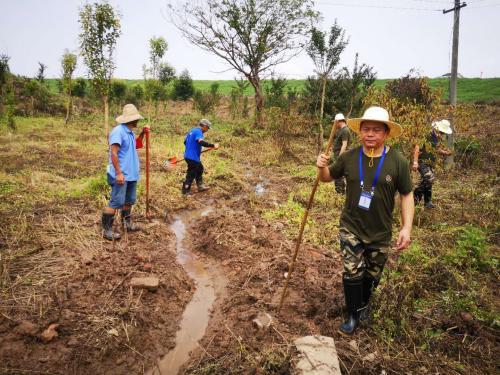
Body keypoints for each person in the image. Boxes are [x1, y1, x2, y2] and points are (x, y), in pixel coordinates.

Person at [316, 106, 414, 335]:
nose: (370, 134)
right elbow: (327, 178)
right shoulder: (349, 157)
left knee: (372, 274)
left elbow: (407, 195)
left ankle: (362, 306)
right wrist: (320, 167)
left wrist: (406, 228)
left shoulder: (397, 161)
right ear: (360, 131)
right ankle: (352, 315)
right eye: (366, 129)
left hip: (380, 232)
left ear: (386, 133)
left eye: (376, 130)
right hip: (351, 227)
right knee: (352, 271)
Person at [101, 104, 149, 240]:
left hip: (131, 174)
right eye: (135, 119)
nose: (137, 121)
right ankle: (107, 230)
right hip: (121, 174)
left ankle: (127, 224)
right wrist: (119, 173)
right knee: (116, 202)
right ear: (130, 119)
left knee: (129, 201)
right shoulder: (118, 131)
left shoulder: (130, 133)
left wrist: (143, 134)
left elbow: (137, 145)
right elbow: (113, 154)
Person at [412, 120, 452, 209]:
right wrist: (415, 162)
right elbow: (417, 147)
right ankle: (414, 200)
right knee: (429, 178)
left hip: (430, 162)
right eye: (441, 132)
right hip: (422, 161)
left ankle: (427, 202)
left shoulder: (436, 137)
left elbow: (436, 149)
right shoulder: (426, 134)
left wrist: (445, 153)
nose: (442, 133)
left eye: (443, 132)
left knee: (429, 181)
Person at [182, 119, 219, 195]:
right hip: (193, 157)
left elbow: (185, 142)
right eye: (208, 128)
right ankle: (185, 192)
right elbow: (201, 142)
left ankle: (200, 186)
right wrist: (213, 145)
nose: (207, 130)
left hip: (188, 155)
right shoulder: (199, 132)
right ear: (204, 126)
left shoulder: (192, 131)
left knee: (200, 169)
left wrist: (193, 148)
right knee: (191, 174)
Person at [331, 113, 352, 194]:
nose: (335, 124)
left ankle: (340, 192)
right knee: (338, 174)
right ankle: (339, 191)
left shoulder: (345, 130)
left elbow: (344, 144)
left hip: (341, 156)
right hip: (338, 155)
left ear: (339, 121)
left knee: (338, 174)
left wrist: (340, 157)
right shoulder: (342, 130)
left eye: (335, 122)